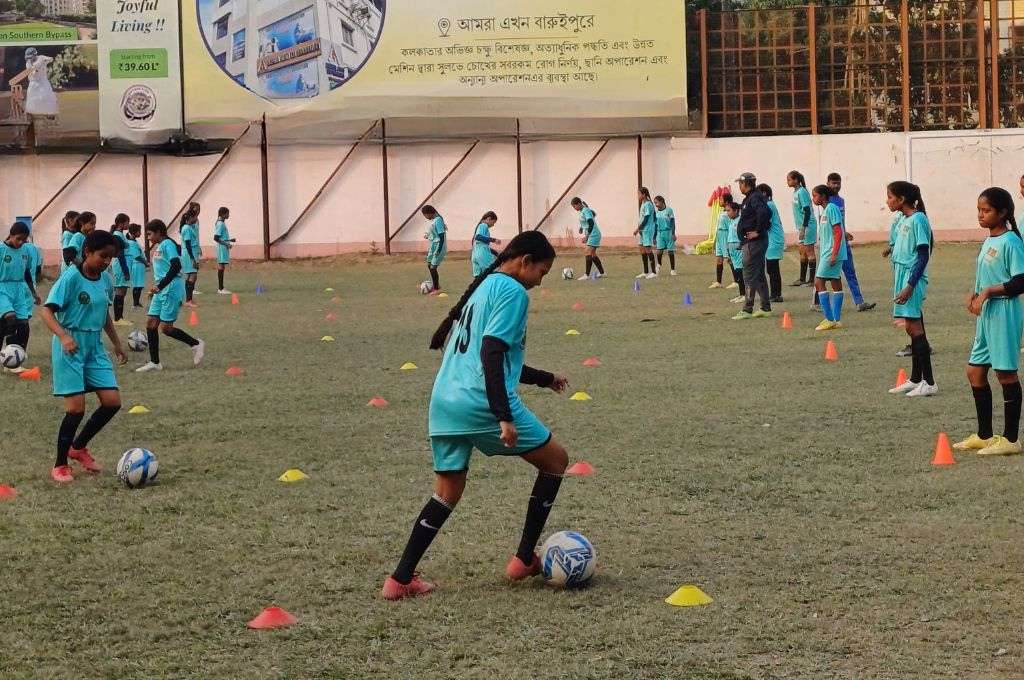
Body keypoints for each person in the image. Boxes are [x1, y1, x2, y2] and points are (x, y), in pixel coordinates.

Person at [381, 232, 570, 601]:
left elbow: (492, 355)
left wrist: (545, 379)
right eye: (542, 272)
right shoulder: (513, 293)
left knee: (447, 492)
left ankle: (400, 579)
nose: (540, 281)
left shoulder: (486, 286)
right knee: (556, 461)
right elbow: (492, 353)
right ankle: (522, 558)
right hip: (479, 400)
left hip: (444, 401)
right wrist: (503, 415)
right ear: (525, 261)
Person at [39, 229, 128, 483]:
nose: (107, 261)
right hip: (71, 345)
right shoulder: (70, 277)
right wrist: (64, 337)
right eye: (103, 256)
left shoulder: (105, 279)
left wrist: (117, 344)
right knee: (76, 408)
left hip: (94, 347)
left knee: (112, 401)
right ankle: (60, 464)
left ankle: (78, 447)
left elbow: (104, 314)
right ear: (87, 252)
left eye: (110, 257)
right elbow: (46, 312)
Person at [954, 187, 1024, 456]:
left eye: (987, 211)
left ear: (1003, 212)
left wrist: (988, 292)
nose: (981, 215)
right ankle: (984, 435)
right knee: (975, 372)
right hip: (987, 315)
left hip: (1004, 312)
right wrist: (974, 295)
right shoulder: (989, 240)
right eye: (979, 210)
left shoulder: (1011, 242)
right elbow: (985, 274)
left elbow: (1020, 281)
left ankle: (1010, 439)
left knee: (1005, 373)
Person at [886, 181, 936, 397]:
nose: (887, 201)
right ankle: (916, 379)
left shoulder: (919, 219)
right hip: (902, 276)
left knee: (915, 329)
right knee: (911, 327)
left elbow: (923, 255)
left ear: (902, 199)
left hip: (911, 278)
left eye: (890, 196)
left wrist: (910, 285)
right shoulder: (904, 219)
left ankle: (930, 382)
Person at [135, 219, 205, 373]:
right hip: (161, 290)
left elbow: (176, 266)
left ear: (159, 232)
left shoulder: (168, 244)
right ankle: (155, 363)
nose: (148, 237)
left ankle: (196, 344)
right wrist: (157, 288)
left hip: (171, 288)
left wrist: (160, 285)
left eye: (149, 234)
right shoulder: (160, 246)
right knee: (151, 323)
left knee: (166, 328)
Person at [826, 173, 876, 312]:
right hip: (832, 245)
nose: (836, 186)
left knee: (850, 272)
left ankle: (859, 302)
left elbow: (839, 222)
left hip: (843, 244)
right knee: (824, 274)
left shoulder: (841, 200)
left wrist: (845, 232)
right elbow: (827, 223)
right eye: (833, 183)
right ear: (828, 183)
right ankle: (817, 301)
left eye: (838, 183)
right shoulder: (826, 201)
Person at [0, 222, 41, 374]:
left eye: (24, 239)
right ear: (10, 235)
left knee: (23, 325)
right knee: (9, 319)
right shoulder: (1, 250)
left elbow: (26, 273)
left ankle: (15, 360)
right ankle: (8, 358)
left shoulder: (25, 251)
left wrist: (33, 293)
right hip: (2, 288)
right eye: (19, 239)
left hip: (19, 289)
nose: (21, 242)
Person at [733, 172, 772, 320]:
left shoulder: (754, 197)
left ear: (746, 184)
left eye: (740, 184)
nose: (739, 187)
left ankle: (747, 309)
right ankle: (765, 307)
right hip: (751, 242)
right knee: (759, 274)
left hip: (754, 243)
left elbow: (765, 213)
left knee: (748, 275)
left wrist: (757, 231)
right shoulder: (750, 198)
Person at [809, 185, 847, 331]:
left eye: (815, 195)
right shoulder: (825, 210)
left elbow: (838, 232)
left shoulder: (832, 208)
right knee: (835, 281)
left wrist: (834, 254)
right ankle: (836, 320)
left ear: (823, 196)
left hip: (832, 253)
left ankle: (829, 319)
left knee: (818, 282)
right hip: (827, 252)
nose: (813, 199)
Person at [757, 183, 785, 302]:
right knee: (772, 269)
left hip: (774, 240)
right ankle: (776, 293)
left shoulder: (768, 205)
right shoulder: (770, 204)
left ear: (764, 193)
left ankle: (776, 295)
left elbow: (765, 223)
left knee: (772, 269)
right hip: (773, 239)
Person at [787, 171, 815, 286]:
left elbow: (807, 210)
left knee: (810, 252)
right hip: (801, 226)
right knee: (802, 252)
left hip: (807, 225)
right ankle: (802, 278)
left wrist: (804, 227)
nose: (787, 181)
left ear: (796, 180)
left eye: (789, 179)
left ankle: (812, 280)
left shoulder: (802, 192)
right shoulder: (796, 192)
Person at [571, 197, 605, 280]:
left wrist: (587, 236)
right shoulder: (582, 211)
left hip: (593, 234)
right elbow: (586, 222)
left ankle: (586, 275)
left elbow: (591, 222)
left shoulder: (586, 210)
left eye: (574, 206)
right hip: (592, 234)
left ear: (579, 204)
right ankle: (602, 273)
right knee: (593, 254)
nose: (574, 208)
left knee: (587, 252)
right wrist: (581, 227)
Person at [110, 214, 133, 326]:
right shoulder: (117, 236)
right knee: (120, 291)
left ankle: (120, 317)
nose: (128, 224)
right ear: (121, 223)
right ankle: (118, 318)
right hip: (120, 266)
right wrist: (126, 271)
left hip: (122, 266)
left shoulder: (121, 235)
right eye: (127, 222)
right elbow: (120, 255)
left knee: (122, 291)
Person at [709, 192, 734, 289]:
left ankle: (736, 281)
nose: (719, 201)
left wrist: (728, 239)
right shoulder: (722, 211)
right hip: (719, 235)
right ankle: (718, 281)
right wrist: (715, 239)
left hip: (725, 235)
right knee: (719, 259)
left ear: (726, 201)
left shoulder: (729, 212)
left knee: (729, 259)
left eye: (721, 199)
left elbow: (730, 226)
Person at [634, 187, 658, 279]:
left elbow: (646, 218)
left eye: (639, 194)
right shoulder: (643, 204)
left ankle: (654, 272)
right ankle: (645, 271)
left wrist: (638, 229)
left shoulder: (648, 204)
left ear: (644, 195)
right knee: (642, 249)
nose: (638, 196)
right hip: (642, 230)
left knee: (648, 249)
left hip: (647, 230)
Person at [422, 205, 447, 295]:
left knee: (433, 267)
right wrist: (428, 235)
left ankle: (436, 289)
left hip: (439, 246)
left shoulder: (438, 220)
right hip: (433, 245)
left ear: (429, 213)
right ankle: (436, 284)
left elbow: (441, 236)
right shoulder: (435, 220)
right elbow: (435, 233)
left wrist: (439, 250)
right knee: (429, 264)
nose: (426, 217)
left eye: (425, 215)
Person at [724, 202, 746, 303]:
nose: (727, 213)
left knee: (741, 273)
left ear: (736, 211)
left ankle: (745, 295)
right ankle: (741, 294)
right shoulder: (731, 221)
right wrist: (728, 253)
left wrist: (741, 246)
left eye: (729, 210)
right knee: (737, 273)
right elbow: (730, 237)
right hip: (732, 250)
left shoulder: (741, 220)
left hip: (738, 249)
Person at [471, 211, 501, 277]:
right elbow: (478, 237)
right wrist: (494, 240)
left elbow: (481, 245)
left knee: (478, 277)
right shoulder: (483, 225)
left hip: (474, 255)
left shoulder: (478, 227)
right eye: (493, 222)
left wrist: (496, 253)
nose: (493, 225)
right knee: (491, 273)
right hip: (482, 255)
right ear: (489, 219)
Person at [654, 195, 678, 276]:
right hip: (660, 233)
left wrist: (673, 233)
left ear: (661, 202)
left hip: (668, 232)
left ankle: (672, 270)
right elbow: (656, 225)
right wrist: (654, 237)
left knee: (670, 252)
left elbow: (672, 222)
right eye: (655, 203)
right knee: (659, 251)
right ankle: (659, 264)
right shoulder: (656, 212)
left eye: (656, 203)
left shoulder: (669, 210)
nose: (656, 205)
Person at [180, 212, 200, 307]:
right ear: (190, 217)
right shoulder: (187, 228)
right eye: (195, 216)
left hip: (191, 253)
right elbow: (188, 244)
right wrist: (192, 259)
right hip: (189, 255)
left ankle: (188, 299)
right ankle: (188, 300)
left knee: (189, 276)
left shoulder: (189, 227)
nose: (196, 218)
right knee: (192, 276)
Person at [214, 207, 235, 294]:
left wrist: (229, 240)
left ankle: (221, 288)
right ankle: (220, 288)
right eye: (227, 213)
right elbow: (216, 238)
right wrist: (227, 244)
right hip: (221, 247)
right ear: (223, 214)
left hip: (222, 247)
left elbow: (221, 236)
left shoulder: (221, 223)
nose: (228, 215)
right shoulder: (220, 224)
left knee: (222, 266)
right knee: (221, 266)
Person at [126, 223, 147, 309]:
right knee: (137, 285)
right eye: (139, 232)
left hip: (140, 266)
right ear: (134, 232)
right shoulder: (131, 243)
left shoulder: (134, 241)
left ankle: (137, 302)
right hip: (137, 265)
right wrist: (146, 262)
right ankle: (135, 303)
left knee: (140, 285)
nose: (140, 234)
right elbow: (137, 256)